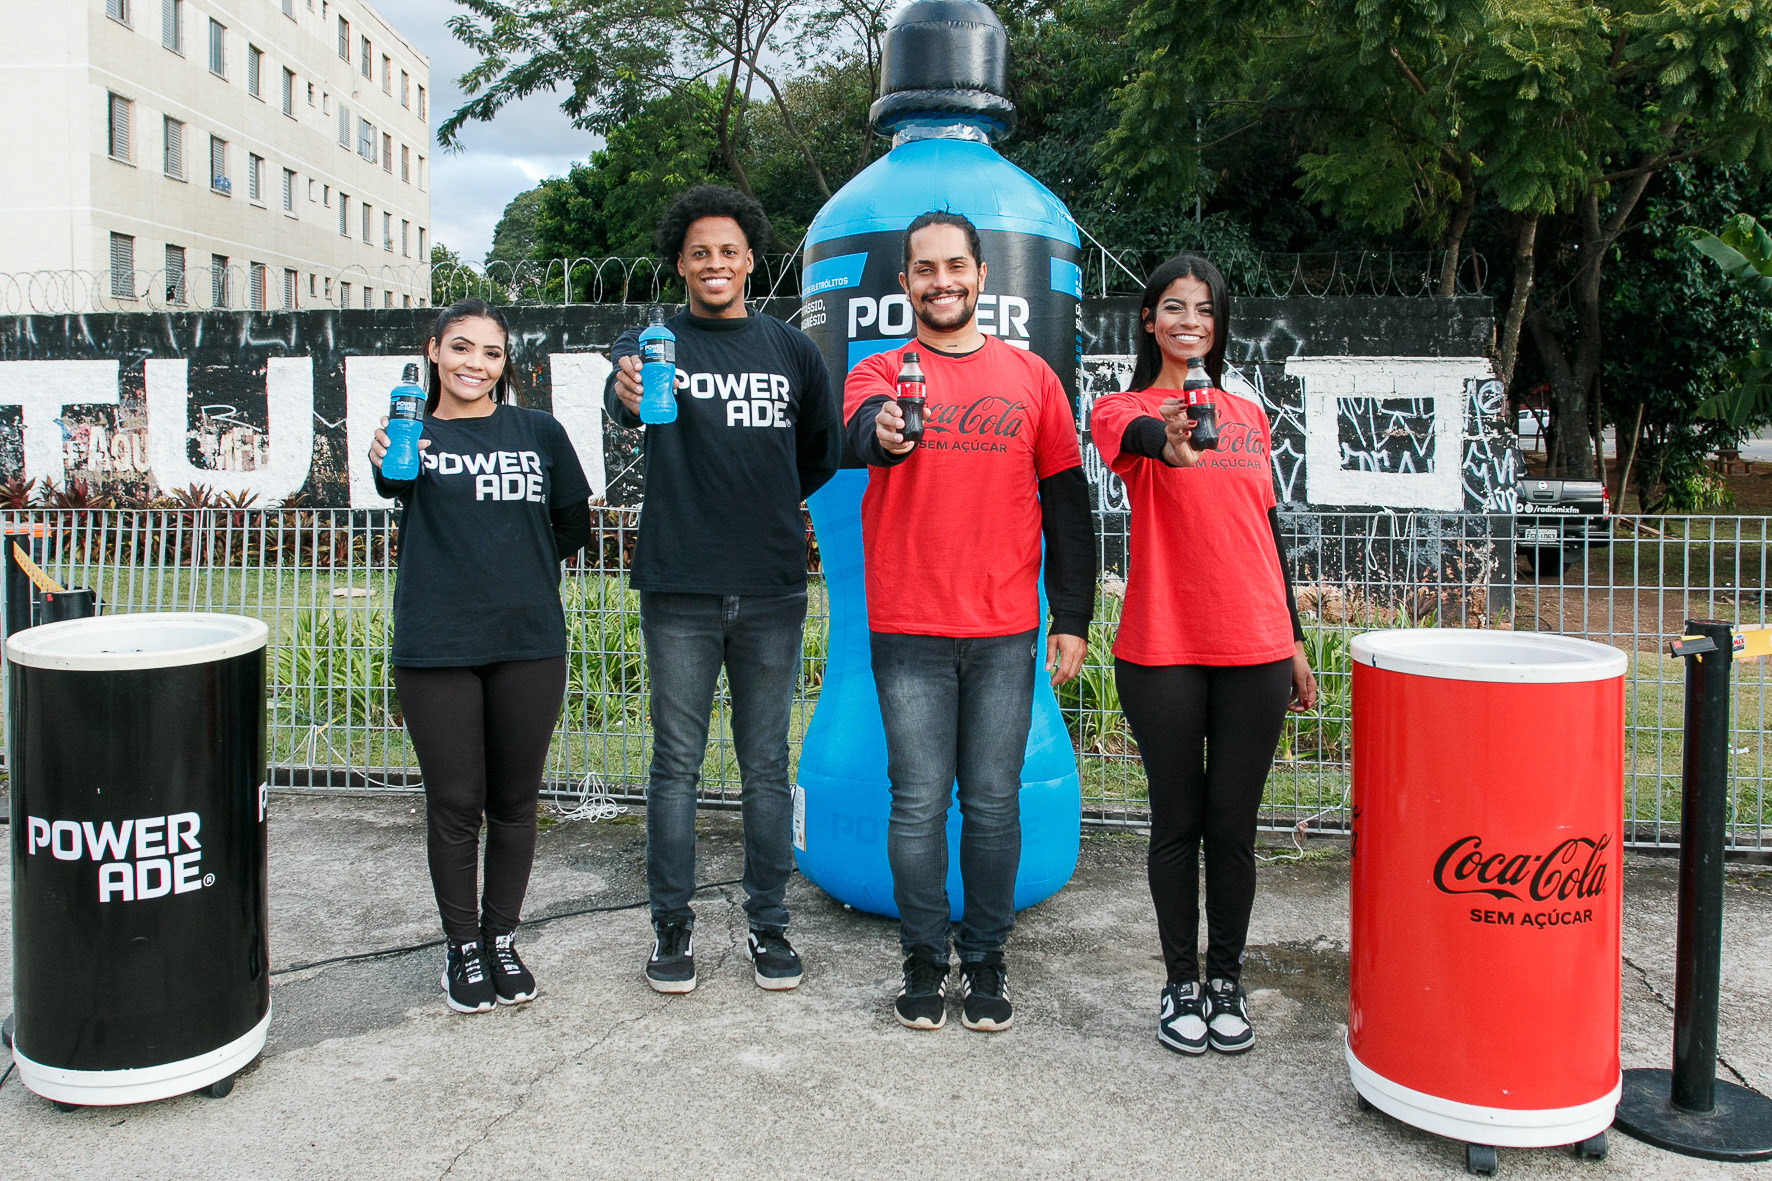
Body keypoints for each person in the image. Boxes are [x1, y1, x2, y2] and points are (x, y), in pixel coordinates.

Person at [846, 211, 1095, 1033]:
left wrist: (1073, 614)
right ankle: (923, 957)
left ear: (983, 276)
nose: (940, 280)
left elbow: (1066, 499)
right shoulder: (880, 370)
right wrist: (883, 435)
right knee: (917, 804)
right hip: (908, 627)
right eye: (924, 267)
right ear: (905, 281)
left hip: (1003, 632)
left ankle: (985, 958)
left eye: (956, 265)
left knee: (992, 804)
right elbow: (862, 436)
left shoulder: (1031, 378)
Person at [604, 185, 841, 994]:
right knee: (676, 764)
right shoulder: (654, 351)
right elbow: (624, 400)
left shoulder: (791, 350)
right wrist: (624, 391)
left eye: (728, 250)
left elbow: (819, 453)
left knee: (766, 766)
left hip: (772, 588)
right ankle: (672, 927)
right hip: (678, 587)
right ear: (681, 262)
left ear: (750, 259)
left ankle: (768, 924)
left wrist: (768, 505)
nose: (714, 263)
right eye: (699, 251)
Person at [1087, 254, 1317, 1056]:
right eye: (1174, 308)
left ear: (1219, 324)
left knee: (1234, 826)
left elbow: (1269, 533)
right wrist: (1171, 437)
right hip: (1163, 647)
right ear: (1149, 319)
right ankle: (1179, 980)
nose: (1191, 321)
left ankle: (1227, 980)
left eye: (1206, 310)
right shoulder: (1121, 410)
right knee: (1177, 823)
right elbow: (1146, 439)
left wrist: (1292, 642)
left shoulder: (1248, 417)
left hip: (1255, 645)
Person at [370, 298, 593, 1014]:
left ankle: (502, 937)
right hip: (436, 645)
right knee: (456, 803)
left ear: (506, 362)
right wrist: (389, 448)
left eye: (491, 353)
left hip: (528, 642)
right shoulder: (409, 432)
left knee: (515, 801)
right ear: (433, 351)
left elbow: (570, 524)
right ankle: (460, 946)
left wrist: (514, 575)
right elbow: (391, 481)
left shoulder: (540, 431)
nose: (476, 364)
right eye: (461, 348)